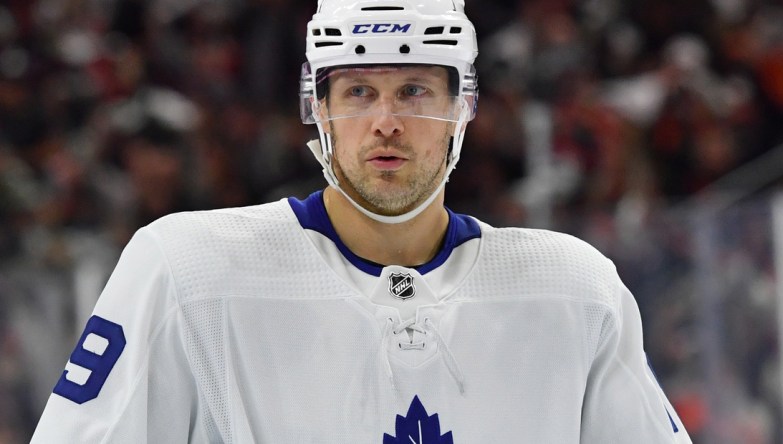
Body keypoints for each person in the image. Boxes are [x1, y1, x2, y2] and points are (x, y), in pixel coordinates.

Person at [32, 0, 692, 442]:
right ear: (315, 108)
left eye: (414, 91)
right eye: (358, 92)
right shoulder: (186, 270)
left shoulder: (575, 290)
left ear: (464, 109)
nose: (386, 121)